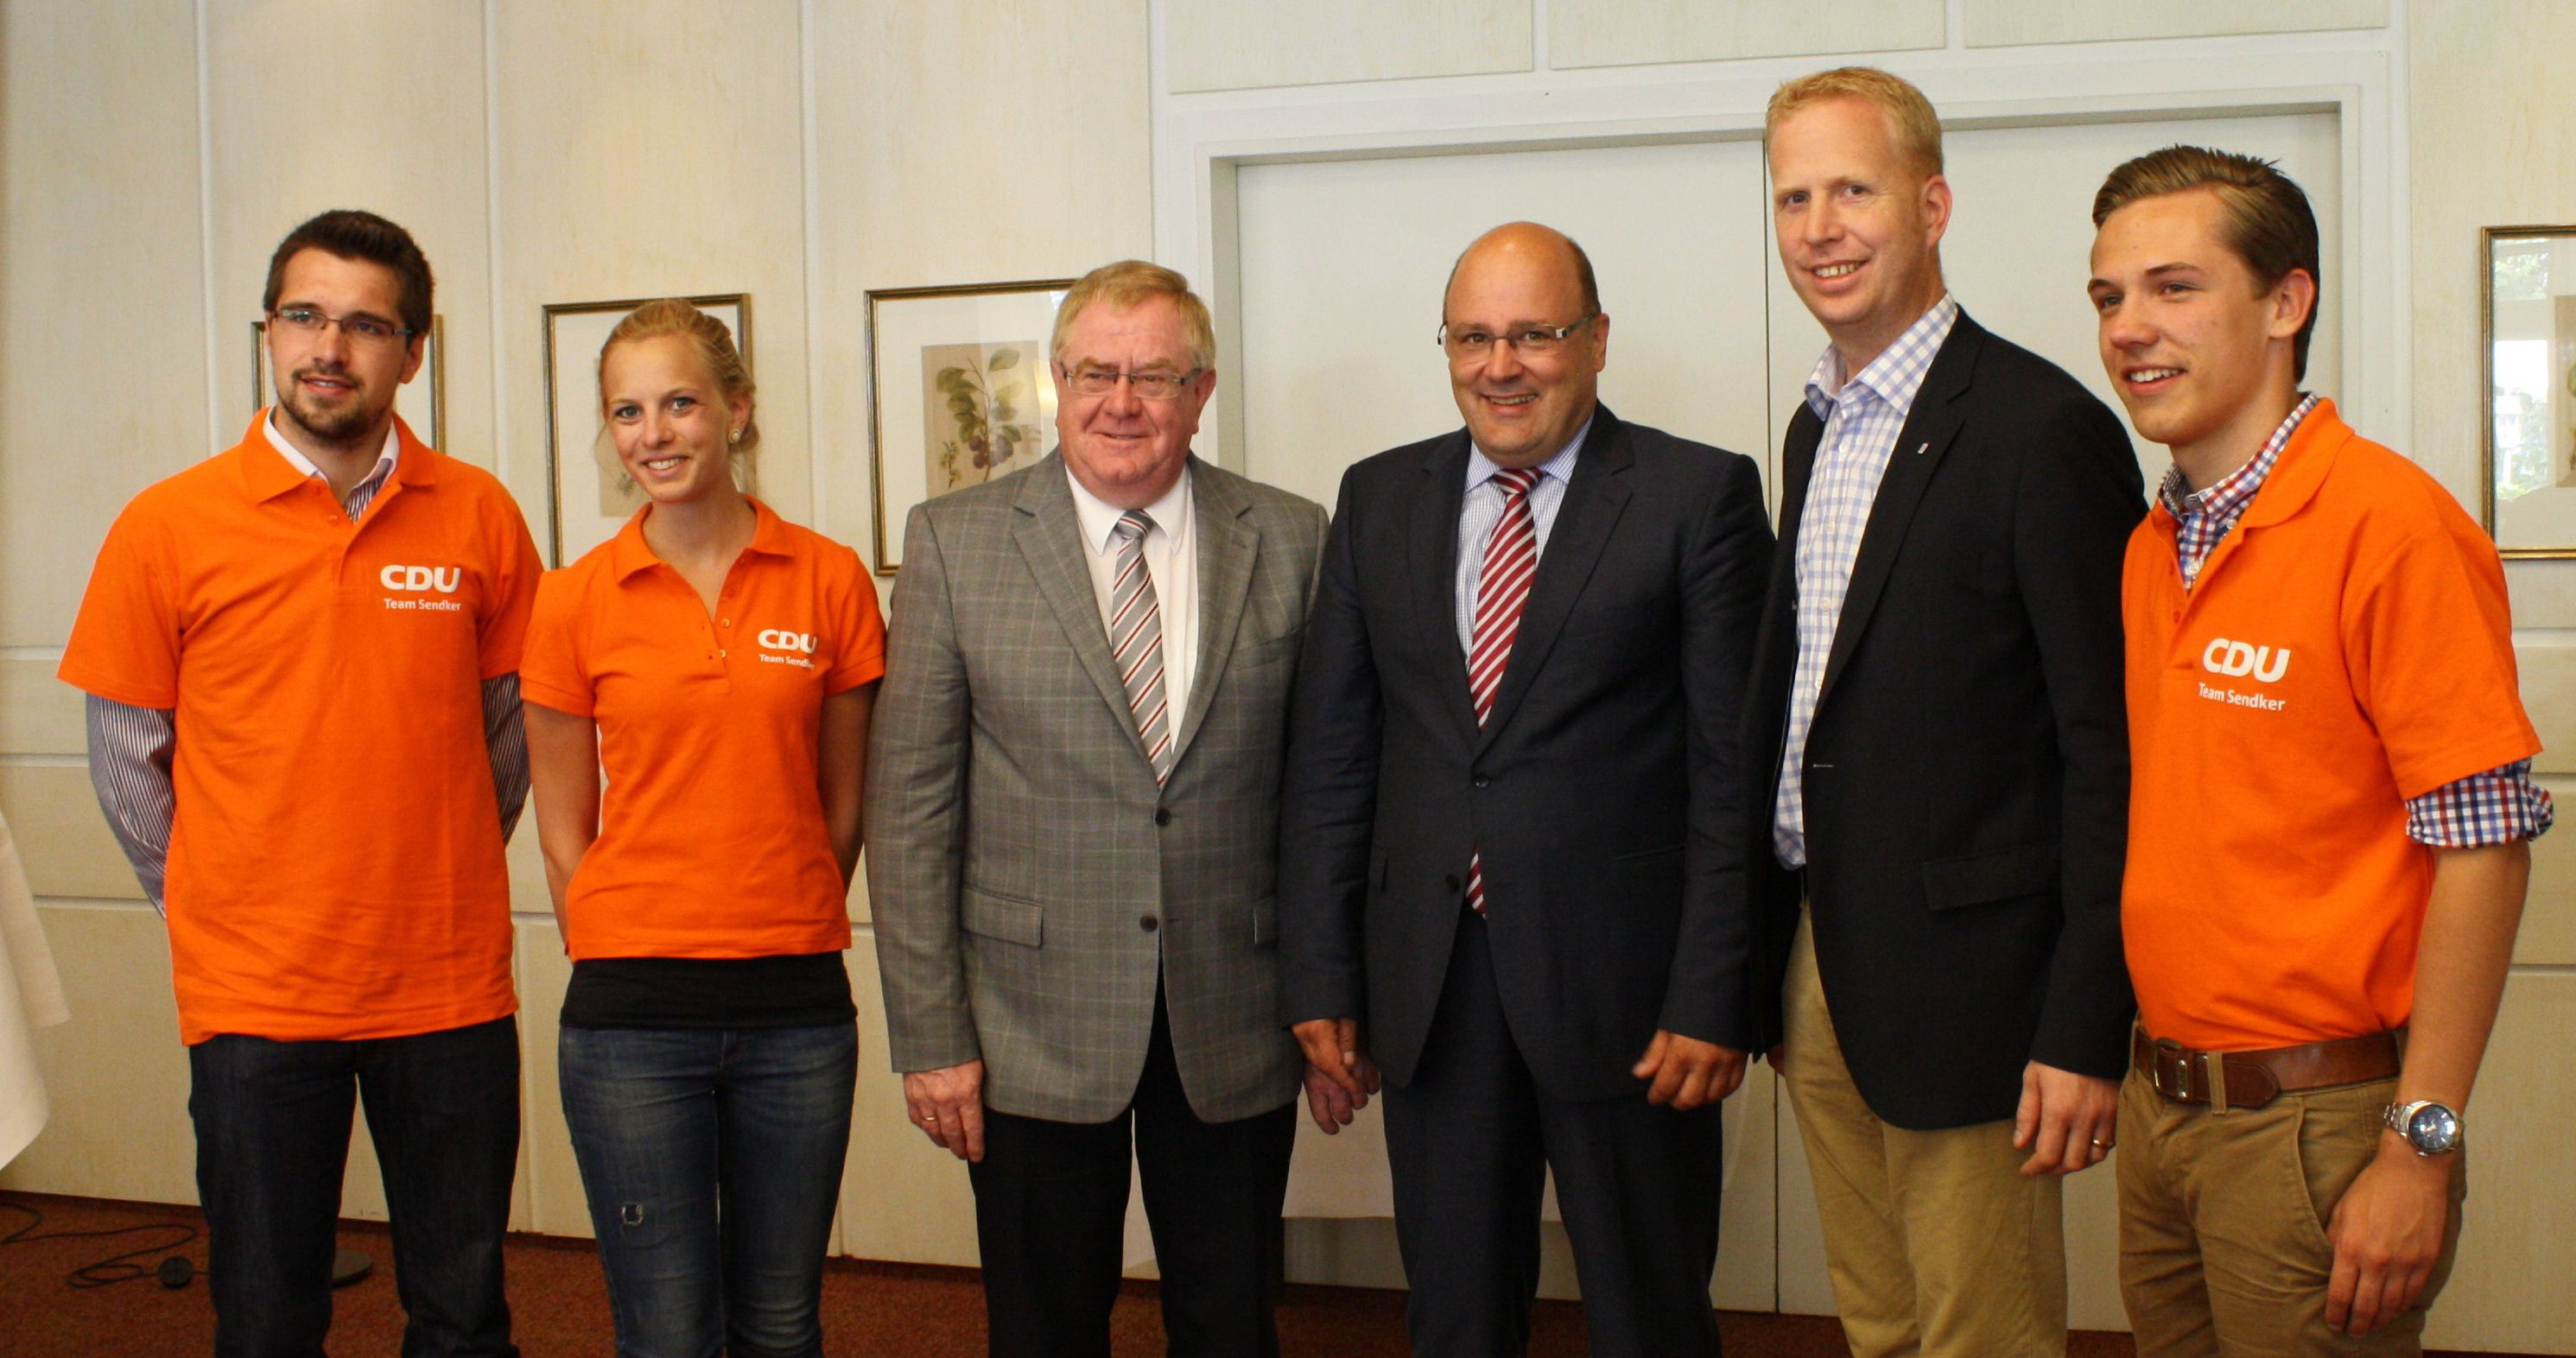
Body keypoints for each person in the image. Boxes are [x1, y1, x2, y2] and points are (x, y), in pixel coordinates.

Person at [1278, 220, 1773, 1358]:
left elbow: (1727, 773)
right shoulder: (1377, 499)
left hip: (1631, 998)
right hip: (1432, 987)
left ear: (1596, 341)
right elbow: (1335, 755)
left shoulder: (1694, 497)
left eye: (1534, 335)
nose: (1500, 365)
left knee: (1646, 1312)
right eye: (1473, 337)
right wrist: (1320, 967)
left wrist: (1713, 992)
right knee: (1453, 1314)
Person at [2090, 144, 2551, 1355]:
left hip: (2316, 1125)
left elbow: (2484, 852)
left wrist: (2420, 1145)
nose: (2131, 326)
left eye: (2174, 287)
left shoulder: (2388, 528)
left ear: (2285, 303)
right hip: (2166, 1109)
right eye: (2108, 295)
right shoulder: (2152, 549)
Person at [60, 208, 539, 1356]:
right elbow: (128, 764)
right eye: (306, 316)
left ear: (413, 353)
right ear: (270, 333)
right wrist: (219, 901)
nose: (331, 346)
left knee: (464, 1314)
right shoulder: (165, 525)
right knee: (269, 1316)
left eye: (367, 324)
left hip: (448, 983)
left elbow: (505, 743)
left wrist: (433, 859)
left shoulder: (479, 514)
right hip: (257, 996)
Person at [1742, 67, 2145, 1358]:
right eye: (1793, 196)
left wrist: (2086, 1019)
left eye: (1852, 189)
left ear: (1931, 205)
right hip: (1823, 961)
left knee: (1983, 1335)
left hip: (1978, 985)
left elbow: (2107, 750)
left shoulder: (2043, 432)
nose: (1820, 226)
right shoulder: (1817, 428)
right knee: (1879, 1321)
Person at [866, 260, 1329, 1358]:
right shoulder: (954, 539)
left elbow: (1326, 797)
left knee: (1229, 1322)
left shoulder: (1297, 536)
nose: (1121, 401)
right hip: (1026, 1020)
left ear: (1203, 391)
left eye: (1155, 376)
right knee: (1043, 1326)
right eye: (1095, 373)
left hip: (1235, 1007)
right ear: (1055, 380)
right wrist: (931, 1035)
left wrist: (1332, 999)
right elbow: (911, 810)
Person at [520, 299, 882, 1355]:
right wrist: (612, 933)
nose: (655, 434)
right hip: (631, 1015)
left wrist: (789, 897)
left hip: (796, 1006)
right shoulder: (573, 598)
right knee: (668, 1333)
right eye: (627, 412)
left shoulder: (829, 578)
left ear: (737, 410)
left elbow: (843, 804)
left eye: (679, 403)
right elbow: (559, 826)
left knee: (780, 1323)